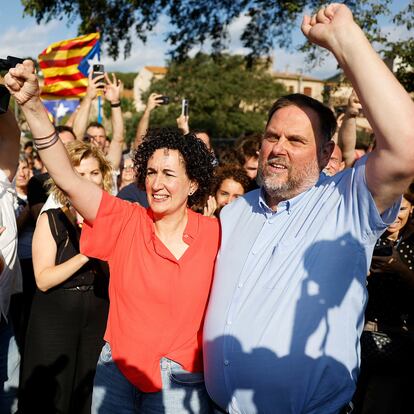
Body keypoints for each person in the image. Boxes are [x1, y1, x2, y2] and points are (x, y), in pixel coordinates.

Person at [203, 4, 414, 414]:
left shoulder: (346, 204)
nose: (278, 148)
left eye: (295, 141)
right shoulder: (234, 213)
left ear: (325, 152)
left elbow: (407, 147)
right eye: (271, 136)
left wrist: (345, 42)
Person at [5, 61, 220, 413]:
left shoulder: (216, 233)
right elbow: (68, 179)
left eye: (168, 173)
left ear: (193, 183)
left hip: (181, 382)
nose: (156, 183)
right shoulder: (126, 219)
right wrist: (31, 106)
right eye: (150, 172)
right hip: (116, 372)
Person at [18, 141, 111, 414]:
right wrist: (86, 254)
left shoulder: (109, 220)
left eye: (94, 173)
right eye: (79, 174)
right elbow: (43, 279)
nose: (89, 180)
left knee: (87, 393)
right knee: (50, 398)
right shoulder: (52, 219)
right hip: (54, 318)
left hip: (96, 315)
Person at [353, 190, 414, 414]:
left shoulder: (412, 243)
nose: (395, 214)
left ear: (413, 209)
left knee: (378, 405)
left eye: (403, 208)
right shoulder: (365, 235)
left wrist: (399, 269)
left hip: (397, 338)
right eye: (390, 207)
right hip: (357, 333)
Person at [0, 110, 22, 414]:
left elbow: (13, 138)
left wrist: (4, 98)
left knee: (9, 398)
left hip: (3, 312)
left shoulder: (2, 185)